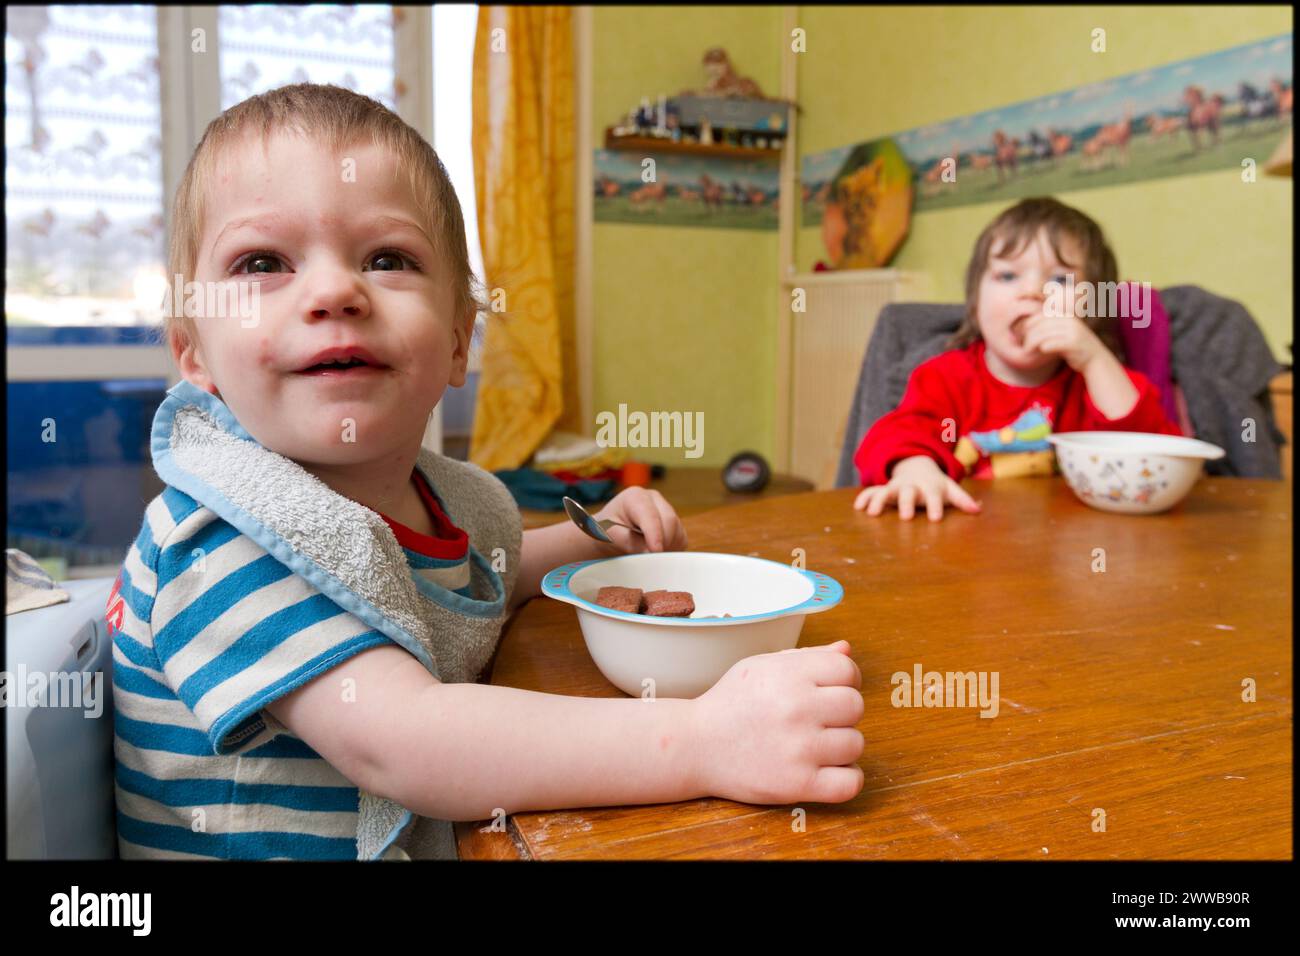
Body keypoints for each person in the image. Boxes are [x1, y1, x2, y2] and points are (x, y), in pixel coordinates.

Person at [109, 84, 863, 860]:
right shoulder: (222, 540)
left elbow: (464, 578)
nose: (335, 291)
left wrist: (593, 542)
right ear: (192, 349)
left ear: (461, 340)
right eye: (263, 262)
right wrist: (704, 738)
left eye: (388, 259)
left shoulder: (429, 495)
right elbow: (408, 742)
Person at [853, 197, 1182, 521]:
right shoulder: (946, 378)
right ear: (975, 303)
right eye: (1008, 276)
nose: (1032, 291)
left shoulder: (1097, 384)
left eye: (1059, 280)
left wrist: (1095, 359)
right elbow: (894, 436)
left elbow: (1159, 459)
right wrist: (915, 471)